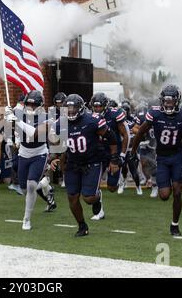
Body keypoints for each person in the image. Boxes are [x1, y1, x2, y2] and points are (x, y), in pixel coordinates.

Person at [50, 94, 120, 237]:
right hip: (73, 162)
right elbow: (56, 143)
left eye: (73, 108)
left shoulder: (92, 120)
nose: (70, 111)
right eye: (67, 108)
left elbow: (111, 138)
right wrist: (54, 158)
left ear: (81, 108)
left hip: (92, 161)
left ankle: (97, 197)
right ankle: (82, 225)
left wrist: (114, 159)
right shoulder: (59, 124)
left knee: (88, 198)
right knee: (72, 197)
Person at [131, 84, 182, 236]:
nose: (168, 104)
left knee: (178, 193)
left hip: (177, 157)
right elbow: (140, 132)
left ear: (177, 101)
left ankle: (175, 224)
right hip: (162, 158)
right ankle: (173, 183)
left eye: (171, 101)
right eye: (165, 101)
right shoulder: (155, 113)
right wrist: (133, 151)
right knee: (165, 195)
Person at [6, 90, 53, 231]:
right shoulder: (21, 114)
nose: (30, 107)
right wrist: (8, 117)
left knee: (31, 185)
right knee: (25, 189)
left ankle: (26, 219)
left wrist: (16, 120)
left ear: (40, 105)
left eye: (34, 104)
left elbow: (34, 132)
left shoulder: (47, 117)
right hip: (23, 153)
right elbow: (12, 128)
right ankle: (44, 184)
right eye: (28, 104)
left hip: (39, 153)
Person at [90, 92, 129, 220]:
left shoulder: (115, 114)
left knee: (112, 187)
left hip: (113, 151)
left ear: (105, 106)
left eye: (99, 106)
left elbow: (126, 135)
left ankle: (120, 181)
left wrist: (122, 155)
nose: (97, 109)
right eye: (95, 107)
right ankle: (99, 210)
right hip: (98, 152)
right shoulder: (89, 116)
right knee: (94, 183)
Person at [117, 101, 142, 195]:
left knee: (134, 171)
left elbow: (138, 130)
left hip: (132, 150)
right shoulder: (118, 120)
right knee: (123, 169)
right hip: (123, 149)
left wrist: (132, 130)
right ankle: (122, 184)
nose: (124, 113)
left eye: (125, 111)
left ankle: (138, 186)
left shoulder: (134, 119)